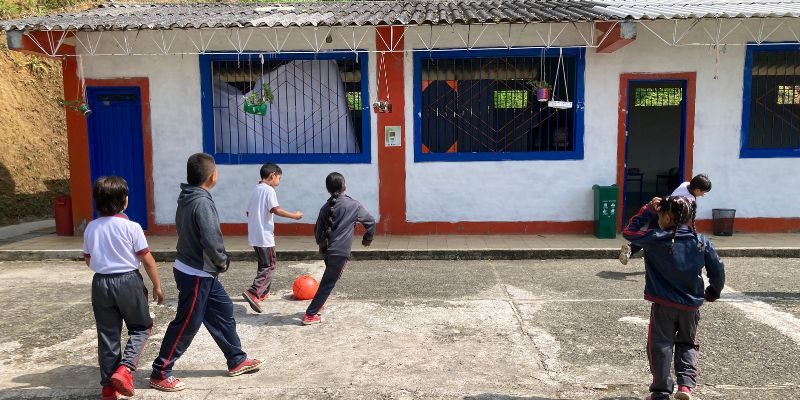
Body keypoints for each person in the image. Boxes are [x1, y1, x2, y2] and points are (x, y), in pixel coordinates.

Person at [149, 153, 262, 392]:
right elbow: (211, 237)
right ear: (212, 176)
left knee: (223, 310)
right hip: (196, 273)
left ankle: (236, 359)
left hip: (200, 272)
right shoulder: (201, 201)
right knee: (188, 323)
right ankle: (160, 371)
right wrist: (222, 260)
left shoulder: (189, 194)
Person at [623, 196, 725, 400]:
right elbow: (718, 271)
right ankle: (685, 386)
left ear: (667, 217)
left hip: (663, 305)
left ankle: (660, 391)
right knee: (687, 343)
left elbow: (629, 233)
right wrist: (713, 292)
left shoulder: (655, 237)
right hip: (691, 306)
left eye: (660, 215)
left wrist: (648, 210)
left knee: (660, 345)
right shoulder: (701, 241)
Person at [83, 176, 164, 400]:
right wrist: (157, 286)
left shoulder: (91, 228)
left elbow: (88, 259)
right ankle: (125, 369)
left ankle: (109, 389)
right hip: (128, 281)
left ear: (97, 202)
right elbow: (147, 260)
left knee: (107, 335)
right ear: (125, 201)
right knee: (141, 327)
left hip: (100, 283)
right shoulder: (132, 227)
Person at [303, 172, 375, 325]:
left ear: (327, 189)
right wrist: (367, 239)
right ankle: (310, 314)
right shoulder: (353, 205)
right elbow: (370, 222)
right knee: (328, 282)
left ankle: (318, 304)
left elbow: (317, 233)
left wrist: (323, 245)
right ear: (344, 186)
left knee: (331, 279)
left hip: (327, 251)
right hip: (340, 252)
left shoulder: (324, 208)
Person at [242, 163, 303, 313]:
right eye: (279, 178)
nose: (279, 182)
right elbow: (275, 210)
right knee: (269, 265)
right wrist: (294, 216)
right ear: (272, 175)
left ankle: (263, 292)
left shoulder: (256, 189)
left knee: (263, 264)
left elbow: (248, 212)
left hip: (255, 235)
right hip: (264, 236)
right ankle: (254, 292)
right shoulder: (269, 190)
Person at [620, 174, 712, 265]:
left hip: (661, 213)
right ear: (697, 190)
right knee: (655, 238)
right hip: (668, 220)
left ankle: (631, 249)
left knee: (650, 235)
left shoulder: (685, 184)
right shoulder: (690, 199)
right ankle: (658, 261)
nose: (703, 195)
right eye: (703, 192)